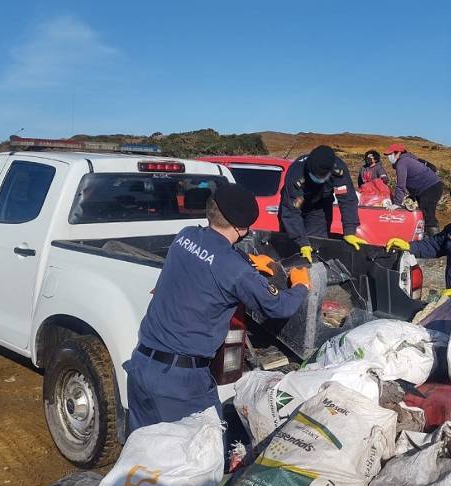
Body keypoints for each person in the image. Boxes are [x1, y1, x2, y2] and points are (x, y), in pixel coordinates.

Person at [124, 183, 311, 433]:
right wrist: (300, 285)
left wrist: (248, 261)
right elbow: (279, 307)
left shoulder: (185, 235)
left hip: (141, 367)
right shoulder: (235, 271)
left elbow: (213, 256)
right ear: (242, 228)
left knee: (145, 455)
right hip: (180, 384)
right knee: (203, 458)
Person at [279, 145, 366, 262]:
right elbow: (291, 211)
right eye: (316, 177)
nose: (319, 179)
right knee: (294, 246)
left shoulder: (337, 168)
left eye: (323, 177)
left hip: (319, 208)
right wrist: (302, 242)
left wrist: (349, 231)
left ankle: (314, 270)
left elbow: (347, 199)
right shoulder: (296, 173)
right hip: (297, 203)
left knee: (316, 244)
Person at [384, 143, 444, 236]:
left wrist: (397, 203)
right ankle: (426, 237)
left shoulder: (402, 162)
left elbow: (401, 184)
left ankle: (434, 240)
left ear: (398, 153)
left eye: (390, 154)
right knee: (424, 214)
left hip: (430, 188)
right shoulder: (407, 160)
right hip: (430, 188)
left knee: (428, 215)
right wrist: (412, 196)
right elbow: (413, 179)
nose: (389, 157)